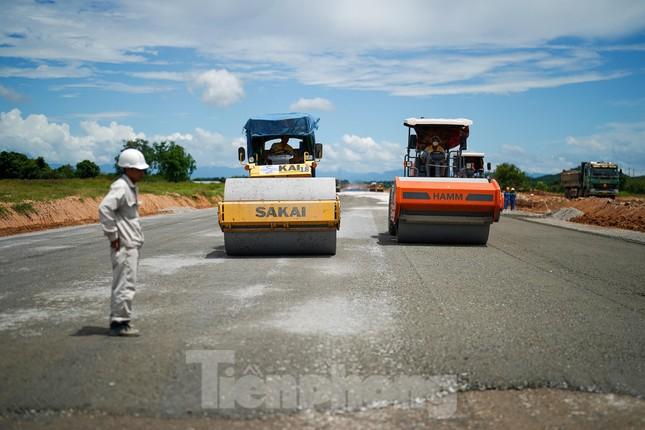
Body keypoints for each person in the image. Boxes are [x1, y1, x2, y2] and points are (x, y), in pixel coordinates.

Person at [98, 148, 149, 337]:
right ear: (128, 169)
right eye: (139, 169)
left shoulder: (129, 186)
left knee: (127, 283)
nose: (142, 173)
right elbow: (104, 209)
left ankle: (121, 320)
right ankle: (119, 324)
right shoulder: (121, 187)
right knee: (124, 284)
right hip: (124, 245)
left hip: (130, 244)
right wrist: (113, 236)